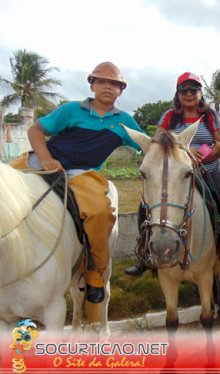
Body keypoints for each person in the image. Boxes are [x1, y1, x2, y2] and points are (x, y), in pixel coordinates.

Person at [9, 62, 144, 304]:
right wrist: (47, 158)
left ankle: (94, 274)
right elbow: (35, 132)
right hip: (41, 161)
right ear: (92, 84)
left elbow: (149, 145)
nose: (107, 87)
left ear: (121, 91)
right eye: (101, 81)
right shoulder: (71, 110)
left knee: (101, 213)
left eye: (114, 84)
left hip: (81, 173)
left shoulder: (125, 122)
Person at [125, 71, 220, 276]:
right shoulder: (169, 116)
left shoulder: (210, 116)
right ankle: (145, 255)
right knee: (145, 207)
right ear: (178, 94)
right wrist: (184, 155)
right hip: (175, 174)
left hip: (207, 171)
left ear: (200, 93)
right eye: (184, 90)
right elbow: (157, 145)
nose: (189, 94)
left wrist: (201, 155)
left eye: (194, 89)